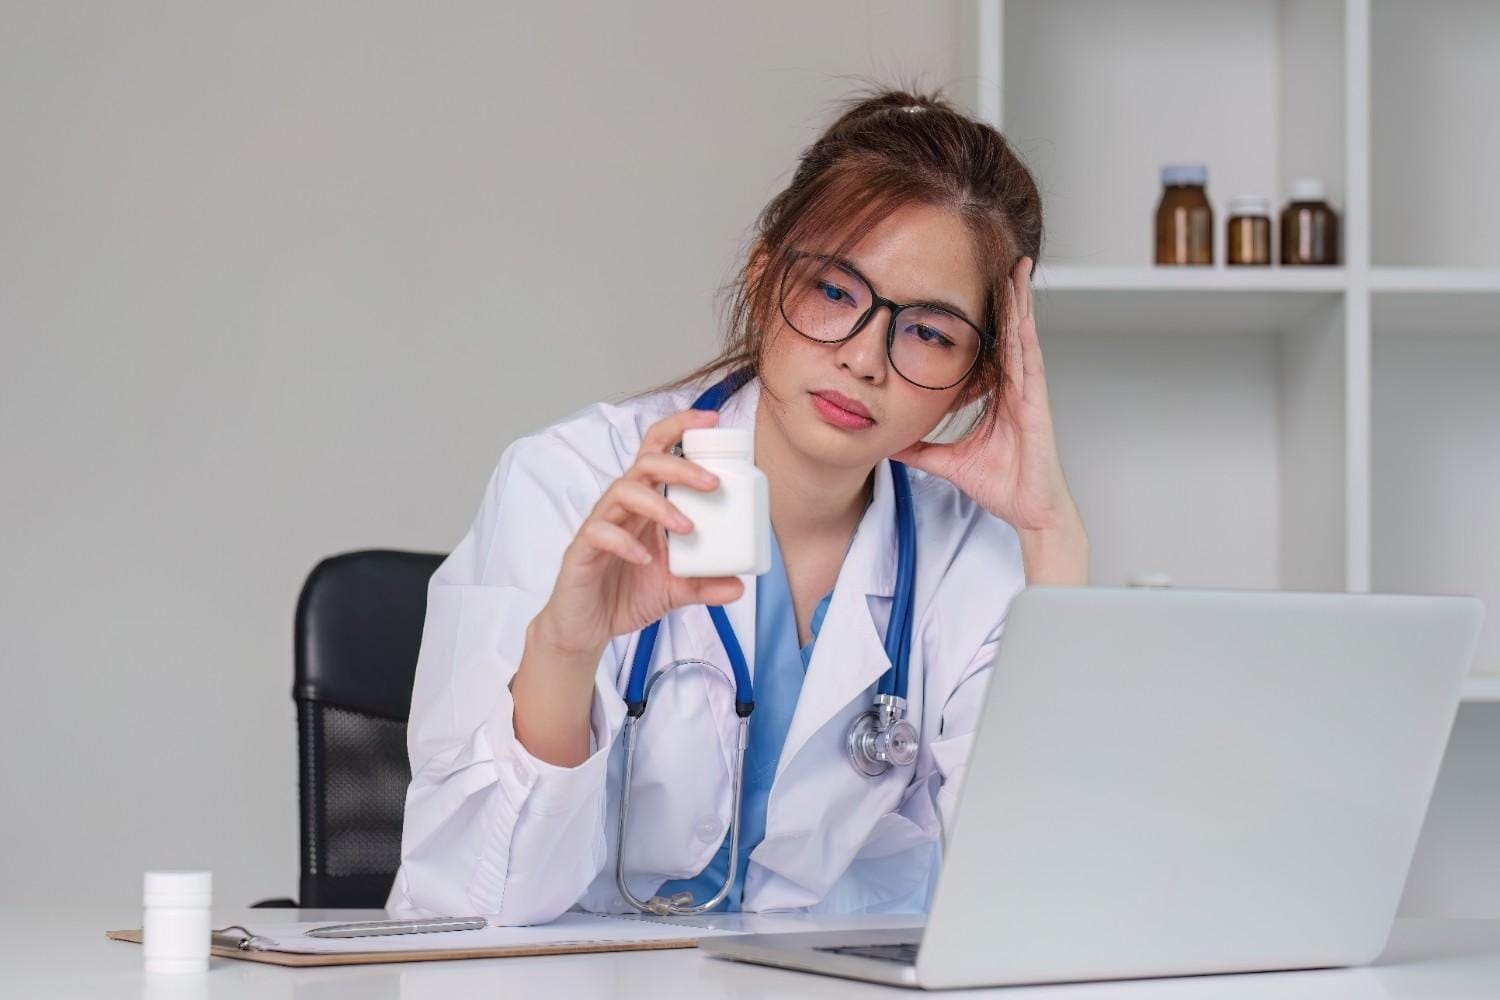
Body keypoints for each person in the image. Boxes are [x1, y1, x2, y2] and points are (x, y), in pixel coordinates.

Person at [388, 86, 1089, 924]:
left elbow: (1047, 899)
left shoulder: (974, 555)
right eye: (835, 292)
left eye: (930, 334)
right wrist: (566, 650)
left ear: (976, 380)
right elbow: (467, 909)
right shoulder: (569, 483)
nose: (865, 358)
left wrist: (1052, 537)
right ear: (763, 282)